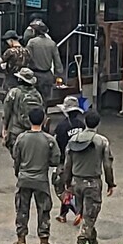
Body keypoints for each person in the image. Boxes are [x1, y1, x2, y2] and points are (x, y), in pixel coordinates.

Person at [62, 110, 116, 244]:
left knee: (84, 213)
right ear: (98, 123)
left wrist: (67, 182)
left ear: (85, 122)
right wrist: (110, 183)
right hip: (92, 182)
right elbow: (107, 165)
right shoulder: (102, 141)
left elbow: (67, 164)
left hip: (76, 181)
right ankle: (83, 240)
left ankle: (92, 242)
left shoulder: (73, 140)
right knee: (90, 215)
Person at [11, 107, 60, 244]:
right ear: (44, 120)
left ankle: (21, 240)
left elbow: (16, 157)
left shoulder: (21, 138)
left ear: (29, 120)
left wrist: (18, 172)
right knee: (44, 209)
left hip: (24, 178)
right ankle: (44, 241)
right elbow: (55, 160)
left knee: (22, 208)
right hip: (41, 179)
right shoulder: (49, 139)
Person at [53, 95, 86, 225]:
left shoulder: (61, 126)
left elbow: (56, 145)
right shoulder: (82, 125)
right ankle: (63, 214)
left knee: (59, 187)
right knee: (70, 188)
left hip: (64, 161)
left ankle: (77, 210)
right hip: (79, 161)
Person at [1, 68, 44, 153]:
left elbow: (6, 111)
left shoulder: (14, 92)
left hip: (16, 129)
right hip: (31, 130)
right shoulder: (37, 94)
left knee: (16, 153)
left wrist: (4, 127)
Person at [24, 20, 64, 106]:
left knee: (33, 100)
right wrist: (58, 75)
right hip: (47, 75)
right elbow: (57, 62)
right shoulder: (52, 43)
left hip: (34, 74)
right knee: (45, 100)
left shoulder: (32, 42)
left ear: (35, 31)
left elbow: (27, 57)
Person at [0, 30, 32, 94]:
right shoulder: (26, 51)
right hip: (23, 78)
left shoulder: (10, 51)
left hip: (11, 78)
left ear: (11, 40)